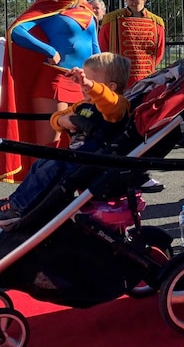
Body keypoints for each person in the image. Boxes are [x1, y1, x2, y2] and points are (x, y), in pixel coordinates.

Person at [0, 52, 131, 227]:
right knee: (42, 163)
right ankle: (17, 200)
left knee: (51, 168)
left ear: (111, 87)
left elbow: (110, 103)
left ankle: (20, 205)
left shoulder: (117, 105)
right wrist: (63, 120)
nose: (84, 87)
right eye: (82, 83)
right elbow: (57, 117)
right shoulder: (83, 105)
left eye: (90, 83)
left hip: (96, 162)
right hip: (77, 158)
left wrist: (88, 84)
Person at [0, 0, 100, 182]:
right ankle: (35, 203)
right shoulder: (46, 8)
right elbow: (17, 31)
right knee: (48, 149)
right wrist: (49, 50)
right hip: (52, 83)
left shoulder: (88, 12)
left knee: (79, 147)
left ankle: (70, 204)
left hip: (82, 84)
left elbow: (96, 49)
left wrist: (99, 82)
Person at [98, 0, 165, 88]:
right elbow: (103, 49)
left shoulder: (157, 22)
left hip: (146, 80)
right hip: (119, 80)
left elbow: (158, 53)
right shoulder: (111, 19)